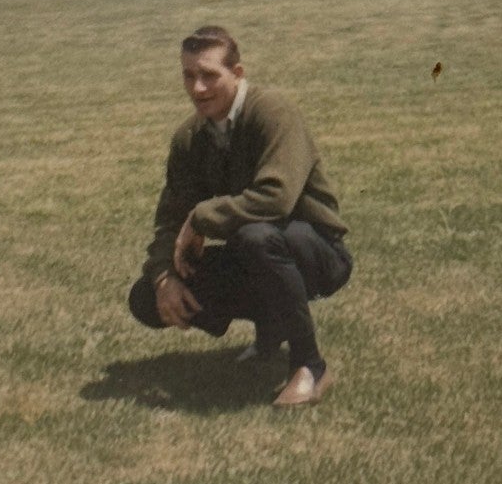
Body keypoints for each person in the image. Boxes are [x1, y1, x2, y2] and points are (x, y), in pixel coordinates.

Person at [127, 25, 352, 407]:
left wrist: (202, 218)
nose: (197, 88)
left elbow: (276, 198)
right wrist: (165, 276)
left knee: (256, 239)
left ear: (238, 73)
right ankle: (271, 326)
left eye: (209, 75)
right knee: (145, 298)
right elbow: (170, 218)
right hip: (259, 254)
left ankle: (310, 366)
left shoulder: (273, 112)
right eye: (188, 75)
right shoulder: (189, 138)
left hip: (316, 251)